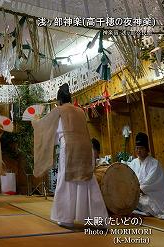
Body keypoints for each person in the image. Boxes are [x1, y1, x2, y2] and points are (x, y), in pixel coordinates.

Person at [33, 83, 108, 228]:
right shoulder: (80, 111)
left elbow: (46, 128)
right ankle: (99, 220)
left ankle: (66, 218)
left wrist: (35, 121)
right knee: (87, 178)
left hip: (69, 146)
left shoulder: (59, 110)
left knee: (67, 177)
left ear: (58, 101)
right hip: (86, 147)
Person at [128, 132, 164, 216]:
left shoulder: (154, 164)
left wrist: (137, 190)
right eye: (137, 148)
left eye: (141, 148)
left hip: (150, 196)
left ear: (146, 149)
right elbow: (129, 178)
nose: (138, 151)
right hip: (136, 194)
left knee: (145, 203)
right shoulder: (133, 163)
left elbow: (149, 183)